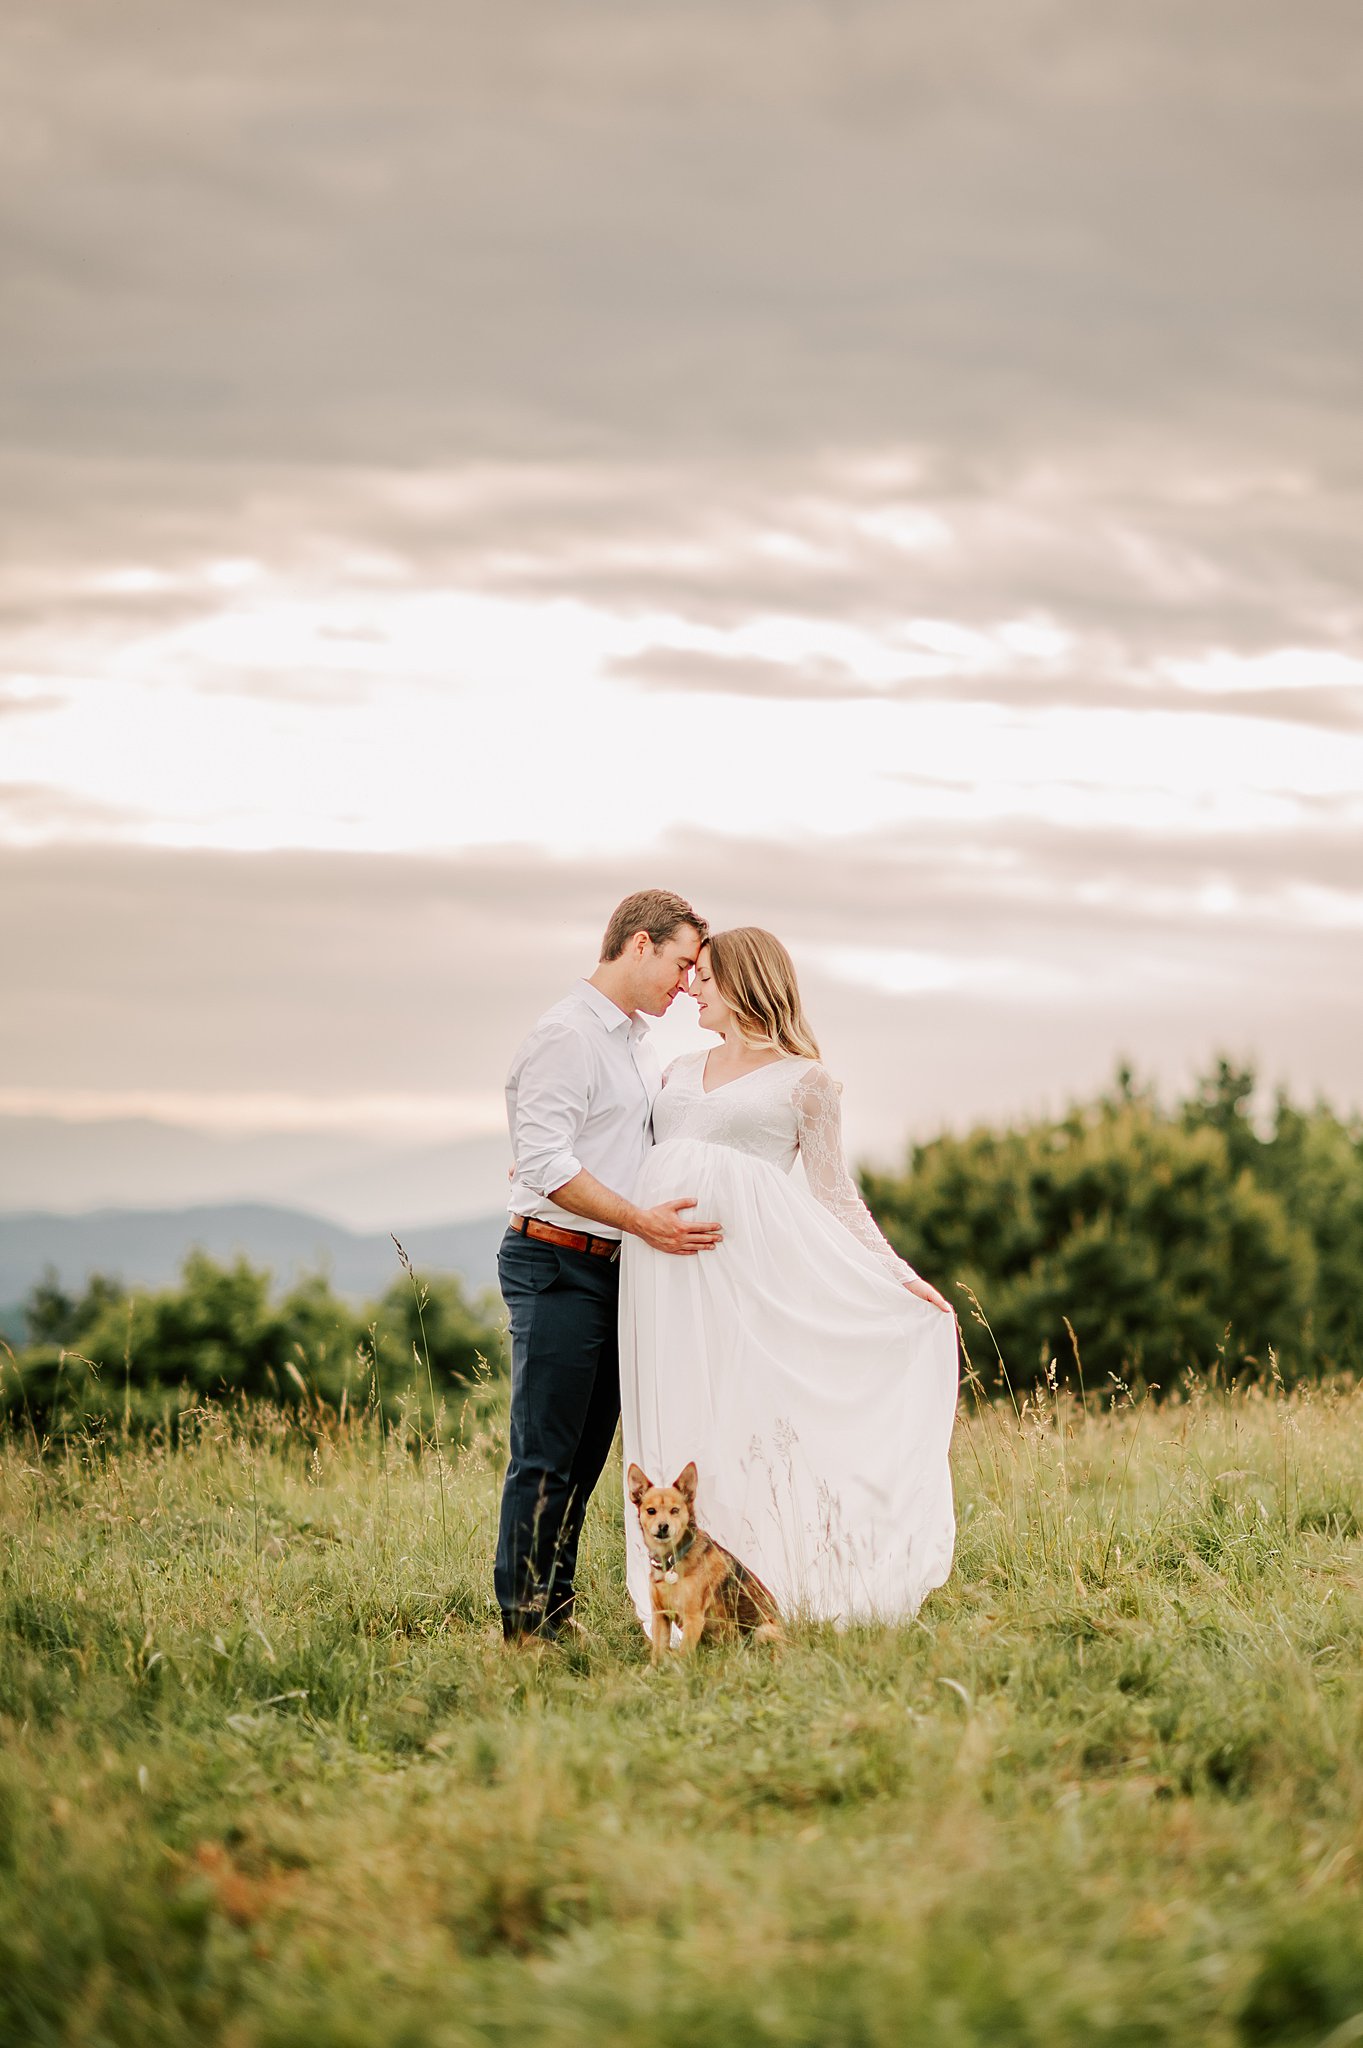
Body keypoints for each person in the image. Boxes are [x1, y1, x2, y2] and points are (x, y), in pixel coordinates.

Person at [619, 927, 959, 1631]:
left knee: (746, 1418)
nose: (690, 988)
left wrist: (898, 1277)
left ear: (746, 980)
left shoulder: (807, 1082)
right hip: (661, 1275)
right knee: (677, 1412)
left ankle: (756, 1588)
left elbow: (834, 1194)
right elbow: (631, 1154)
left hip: (747, 1277)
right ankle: (679, 1599)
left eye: (705, 977)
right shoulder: (675, 1069)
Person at [495, 888, 721, 1641]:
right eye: (682, 965)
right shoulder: (568, 1034)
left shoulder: (632, 1040)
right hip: (558, 1262)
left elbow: (604, 1148)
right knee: (545, 1461)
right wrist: (639, 1219)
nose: (686, 985)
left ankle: (554, 1615)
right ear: (639, 945)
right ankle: (525, 1631)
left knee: (586, 1463)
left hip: (612, 1270)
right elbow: (544, 1160)